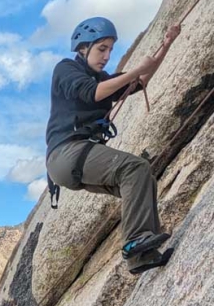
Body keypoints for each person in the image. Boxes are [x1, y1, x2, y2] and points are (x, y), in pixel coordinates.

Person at [45, 17, 181, 274]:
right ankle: (136, 240)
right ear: (83, 48)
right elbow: (92, 92)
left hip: (74, 160)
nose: (107, 56)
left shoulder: (103, 79)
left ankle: (143, 257)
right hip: (66, 153)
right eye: (102, 49)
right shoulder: (65, 69)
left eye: (110, 49)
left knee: (142, 179)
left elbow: (139, 83)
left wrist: (166, 44)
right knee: (135, 168)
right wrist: (133, 70)